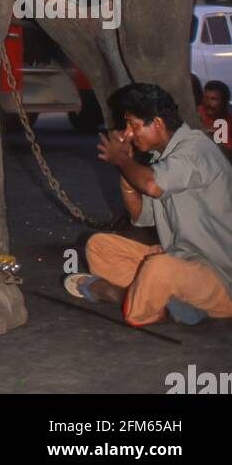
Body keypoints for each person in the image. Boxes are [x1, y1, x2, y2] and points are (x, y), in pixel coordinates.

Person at [64, 83, 232, 326]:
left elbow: (152, 185)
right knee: (99, 246)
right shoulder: (164, 158)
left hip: (221, 277)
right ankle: (166, 300)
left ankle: (121, 297)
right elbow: (141, 214)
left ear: (158, 123)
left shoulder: (195, 150)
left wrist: (121, 159)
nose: (129, 134)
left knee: (158, 268)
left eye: (134, 125)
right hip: (185, 262)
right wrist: (127, 167)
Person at [199, 81, 232, 156]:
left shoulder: (229, 121)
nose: (208, 103)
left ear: (224, 102)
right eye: (206, 98)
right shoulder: (197, 114)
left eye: (213, 99)